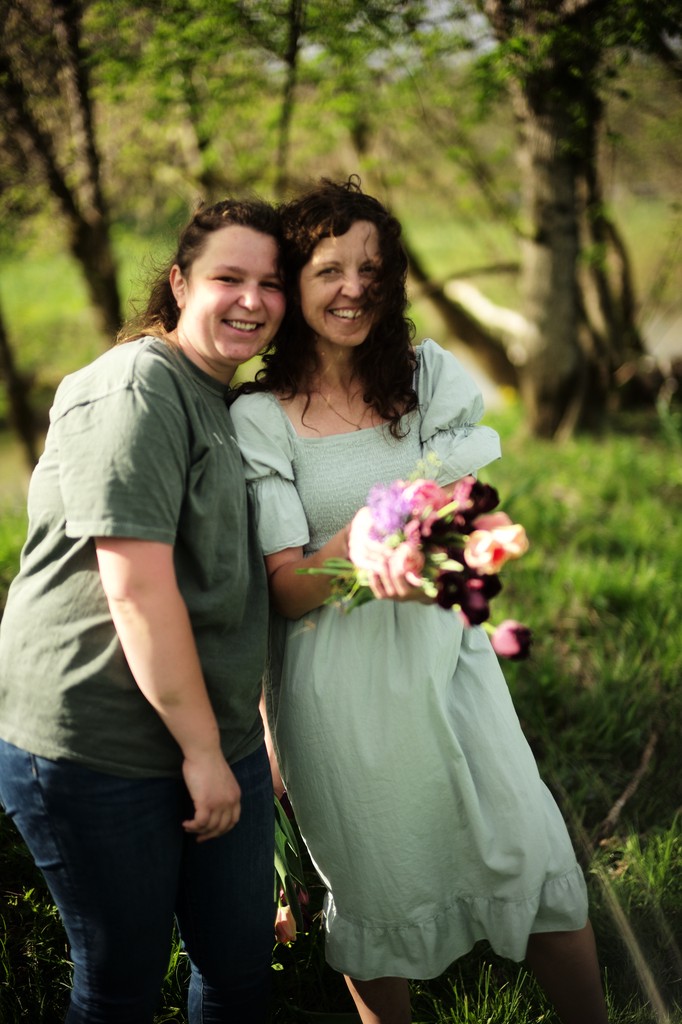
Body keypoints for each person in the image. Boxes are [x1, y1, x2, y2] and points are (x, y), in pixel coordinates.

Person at [229, 177, 609, 1024]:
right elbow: (287, 590)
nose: (354, 287)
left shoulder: (426, 375)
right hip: (337, 694)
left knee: (531, 854)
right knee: (379, 880)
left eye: (371, 268)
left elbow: (473, 513)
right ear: (293, 282)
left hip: (449, 661)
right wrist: (359, 550)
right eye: (329, 269)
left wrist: (450, 541)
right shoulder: (261, 418)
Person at [0, 198, 286, 1024]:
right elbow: (136, 585)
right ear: (179, 282)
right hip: (99, 746)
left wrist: (252, 730)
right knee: (120, 986)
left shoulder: (226, 404)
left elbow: (229, 587)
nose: (251, 301)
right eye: (228, 277)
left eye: (271, 283)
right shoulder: (136, 387)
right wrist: (204, 754)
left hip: (213, 736)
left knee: (239, 972)